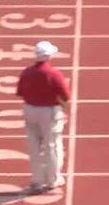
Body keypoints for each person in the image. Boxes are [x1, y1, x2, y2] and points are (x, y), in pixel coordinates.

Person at [16, 41, 71, 194]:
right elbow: (66, 95)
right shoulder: (54, 73)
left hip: (30, 110)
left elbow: (20, 92)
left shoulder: (26, 72)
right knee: (51, 145)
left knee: (34, 146)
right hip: (48, 112)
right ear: (48, 56)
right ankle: (53, 180)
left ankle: (37, 180)